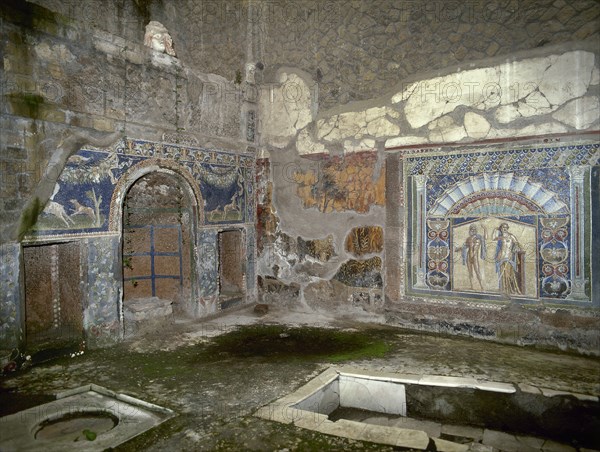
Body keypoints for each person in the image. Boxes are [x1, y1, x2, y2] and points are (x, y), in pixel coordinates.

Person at [492, 222, 522, 295]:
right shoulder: (501, 237)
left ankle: (512, 289)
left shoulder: (511, 236)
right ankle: (504, 289)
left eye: (505, 227)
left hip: (509, 256)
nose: (504, 229)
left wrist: (515, 248)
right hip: (501, 257)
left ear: (507, 228)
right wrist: (494, 230)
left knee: (509, 274)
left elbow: (517, 244)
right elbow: (493, 238)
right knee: (502, 274)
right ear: (501, 229)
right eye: (502, 227)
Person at [455, 224, 487, 290]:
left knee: (477, 271)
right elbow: (465, 246)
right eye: (471, 229)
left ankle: (482, 286)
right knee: (470, 272)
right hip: (468, 257)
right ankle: (472, 286)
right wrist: (459, 249)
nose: (472, 231)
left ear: (476, 230)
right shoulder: (468, 239)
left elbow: (485, 238)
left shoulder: (479, 237)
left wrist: (485, 229)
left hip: (475, 257)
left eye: (474, 229)